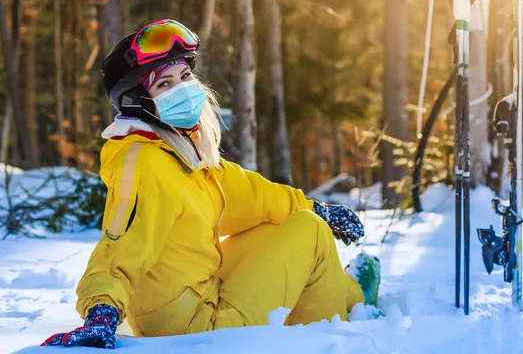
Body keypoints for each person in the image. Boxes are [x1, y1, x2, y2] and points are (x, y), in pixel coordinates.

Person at [41, 19, 381, 349]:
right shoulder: (143, 163)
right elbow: (121, 243)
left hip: (196, 296)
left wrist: (316, 207)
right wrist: (101, 311)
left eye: (185, 75)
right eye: (165, 84)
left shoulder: (182, 155)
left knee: (284, 225)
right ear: (139, 103)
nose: (183, 89)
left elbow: (251, 194)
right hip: (194, 327)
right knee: (311, 233)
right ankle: (326, 330)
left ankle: (348, 289)